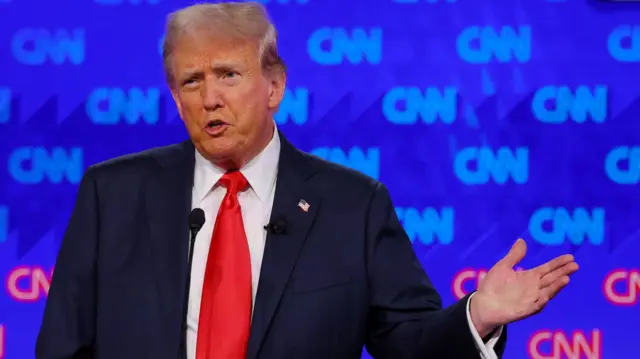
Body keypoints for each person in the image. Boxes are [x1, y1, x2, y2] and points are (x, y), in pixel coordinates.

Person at [35, 2, 579, 359]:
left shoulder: (352, 206)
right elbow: (63, 348)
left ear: (274, 86)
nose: (209, 98)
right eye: (190, 81)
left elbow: (405, 343)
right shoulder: (113, 195)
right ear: (175, 97)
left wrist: (477, 317)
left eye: (228, 74)